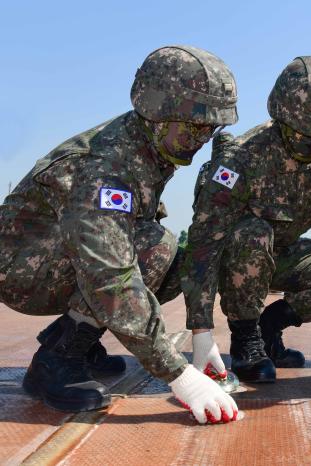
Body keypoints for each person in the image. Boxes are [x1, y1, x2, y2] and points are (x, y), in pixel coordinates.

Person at [0, 45, 239, 423]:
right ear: (158, 111)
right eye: (196, 125)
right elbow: (110, 275)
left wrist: (200, 331)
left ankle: (80, 338)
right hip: (21, 273)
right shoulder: (105, 165)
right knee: (154, 249)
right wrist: (179, 375)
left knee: (167, 254)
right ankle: (56, 361)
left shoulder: (148, 146)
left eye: (213, 127)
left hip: (63, 260)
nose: (204, 137)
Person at [182, 56, 311, 384]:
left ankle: (268, 327)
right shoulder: (241, 160)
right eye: (308, 134)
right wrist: (201, 332)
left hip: (281, 255)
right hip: (234, 260)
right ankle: (246, 339)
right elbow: (204, 244)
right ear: (283, 117)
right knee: (253, 232)